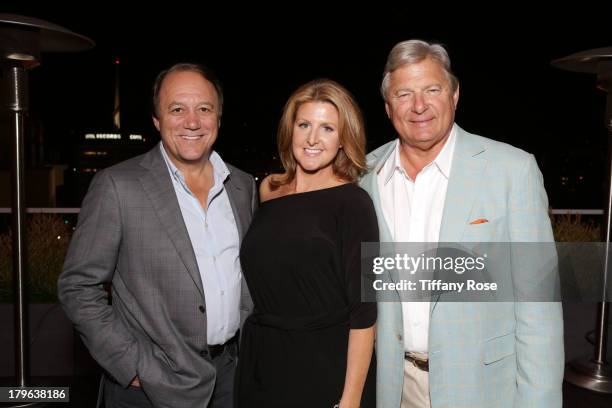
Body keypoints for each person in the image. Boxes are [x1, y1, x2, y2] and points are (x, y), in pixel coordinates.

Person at [359, 40, 564, 407]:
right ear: (389, 107)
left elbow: (538, 307)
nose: (419, 106)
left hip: (483, 388)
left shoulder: (511, 171)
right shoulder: (365, 175)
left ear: (454, 95)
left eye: (432, 90)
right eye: (404, 94)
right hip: (392, 387)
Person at [58, 63, 257, 408]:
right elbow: (78, 286)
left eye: (204, 109)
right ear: (156, 120)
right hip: (150, 386)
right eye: (177, 109)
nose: (192, 122)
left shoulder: (241, 186)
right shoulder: (118, 186)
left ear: (218, 118)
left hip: (229, 377)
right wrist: (130, 365)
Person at [236, 79, 378, 407]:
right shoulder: (269, 190)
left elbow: (364, 312)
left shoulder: (353, 202)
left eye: (327, 128)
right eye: (304, 125)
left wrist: (351, 400)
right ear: (291, 131)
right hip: (263, 363)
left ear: (343, 139)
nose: (313, 138)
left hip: (325, 366)